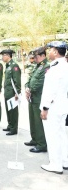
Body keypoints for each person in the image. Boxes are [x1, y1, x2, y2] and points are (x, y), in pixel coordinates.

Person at [39, 41, 68, 174]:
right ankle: (64, 161)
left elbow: (51, 90)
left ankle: (55, 164)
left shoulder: (56, 68)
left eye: (50, 50)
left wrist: (45, 108)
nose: (49, 52)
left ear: (56, 52)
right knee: (62, 134)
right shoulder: (65, 65)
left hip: (53, 107)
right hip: (63, 106)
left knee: (53, 135)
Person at [25, 47, 49, 153]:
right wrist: (27, 87)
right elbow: (30, 79)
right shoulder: (37, 66)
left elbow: (41, 82)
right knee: (33, 120)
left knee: (39, 122)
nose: (34, 59)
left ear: (43, 56)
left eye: (36, 57)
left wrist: (31, 89)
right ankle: (34, 139)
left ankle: (41, 144)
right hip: (32, 97)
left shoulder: (46, 67)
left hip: (39, 97)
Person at [0, 49, 21, 135]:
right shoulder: (8, 65)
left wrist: (17, 92)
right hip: (7, 92)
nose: (2, 57)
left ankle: (14, 128)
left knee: (13, 111)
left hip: (12, 92)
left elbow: (17, 80)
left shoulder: (14, 66)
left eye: (3, 55)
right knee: (8, 110)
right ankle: (10, 125)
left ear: (8, 56)